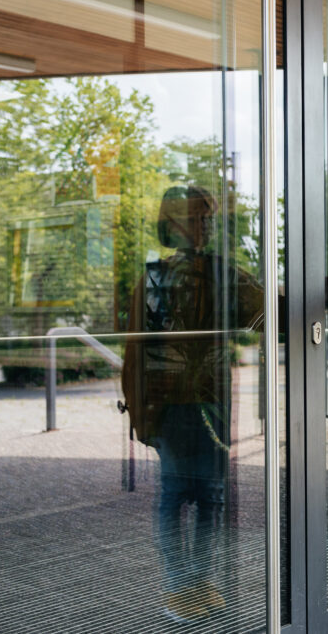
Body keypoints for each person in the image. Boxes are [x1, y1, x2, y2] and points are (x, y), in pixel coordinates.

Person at [122, 185, 268, 624]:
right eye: (196, 217)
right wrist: (139, 410)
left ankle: (199, 581)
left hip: (210, 401)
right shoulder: (154, 276)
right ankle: (176, 587)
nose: (205, 225)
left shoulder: (221, 272)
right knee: (175, 492)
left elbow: (264, 312)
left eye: (208, 217)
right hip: (170, 402)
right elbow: (135, 349)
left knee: (212, 496)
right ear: (173, 223)